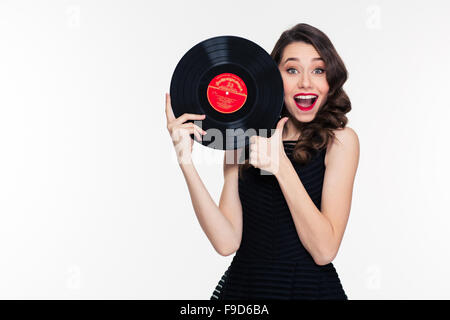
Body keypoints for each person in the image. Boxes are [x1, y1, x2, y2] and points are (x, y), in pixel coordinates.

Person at [165, 23, 359, 300]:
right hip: (244, 291)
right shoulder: (242, 140)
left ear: (331, 80)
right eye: (292, 70)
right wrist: (185, 159)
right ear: (273, 78)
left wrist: (280, 165)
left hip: (307, 291)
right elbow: (226, 241)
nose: (306, 82)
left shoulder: (341, 141)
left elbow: (324, 250)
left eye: (319, 70)